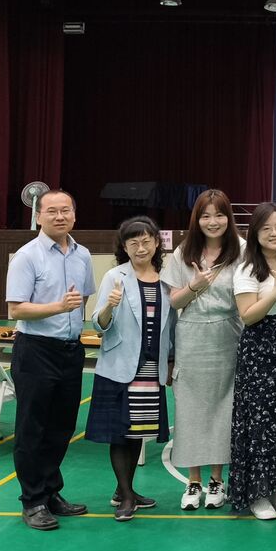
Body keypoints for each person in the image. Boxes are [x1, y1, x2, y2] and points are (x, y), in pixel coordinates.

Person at [5, 189, 95, 531]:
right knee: (32, 428)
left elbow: (84, 297)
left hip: (71, 350)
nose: (60, 216)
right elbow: (16, 308)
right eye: (52, 211)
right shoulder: (27, 256)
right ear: (39, 216)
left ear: (74, 215)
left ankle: (50, 491)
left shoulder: (82, 255)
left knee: (61, 427)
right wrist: (58, 307)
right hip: (36, 350)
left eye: (65, 210)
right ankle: (32, 501)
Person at [161, 189, 246, 511]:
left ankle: (217, 480)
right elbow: (174, 302)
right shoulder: (183, 252)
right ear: (196, 219)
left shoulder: (242, 250)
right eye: (206, 215)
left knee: (225, 410)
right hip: (192, 335)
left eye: (219, 214)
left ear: (229, 218)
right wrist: (194, 285)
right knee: (190, 409)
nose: (213, 222)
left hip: (229, 334)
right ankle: (193, 480)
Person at [86, 216, 176, 522]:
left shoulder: (166, 280)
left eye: (146, 240)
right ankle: (125, 496)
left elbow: (171, 327)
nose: (141, 247)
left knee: (137, 430)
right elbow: (98, 325)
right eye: (133, 242)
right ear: (124, 247)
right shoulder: (115, 276)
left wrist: (171, 360)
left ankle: (125, 489)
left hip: (151, 369)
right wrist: (109, 306)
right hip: (120, 367)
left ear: (156, 243)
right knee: (119, 433)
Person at [230, 202, 276, 519]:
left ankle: (274, 487)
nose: (275, 233)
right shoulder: (247, 269)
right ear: (255, 233)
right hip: (261, 348)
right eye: (266, 228)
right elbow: (248, 316)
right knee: (260, 422)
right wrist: (275, 291)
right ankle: (255, 493)